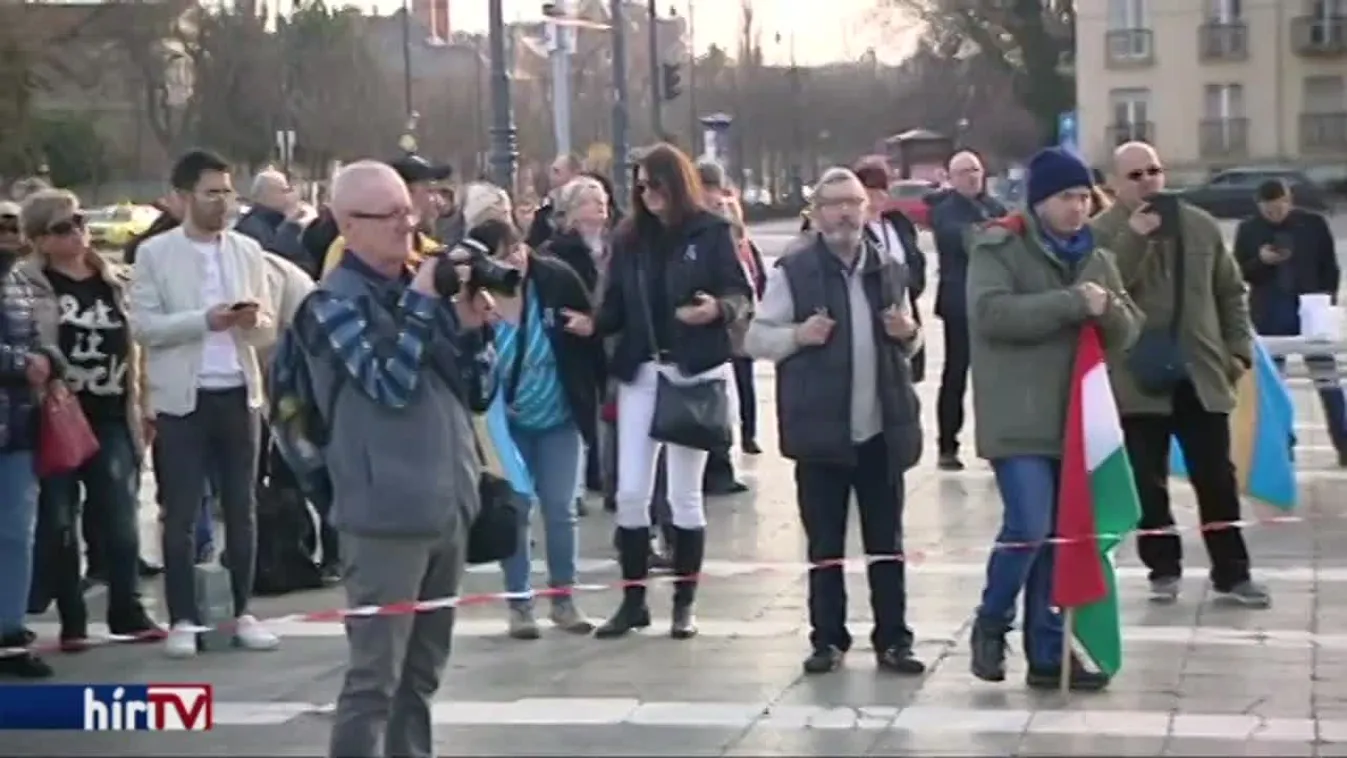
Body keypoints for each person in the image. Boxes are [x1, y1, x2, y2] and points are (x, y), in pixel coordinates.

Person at [301, 161, 494, 758]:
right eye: (388, 215)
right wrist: (419, 302)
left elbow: (478, 392)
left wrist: (472, 333)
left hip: (446, 505)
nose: (406, 226)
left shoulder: (420, 288)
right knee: (373, 684)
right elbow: (387, 383)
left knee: (422, 679)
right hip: (382, 516)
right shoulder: (329, 304)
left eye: (409, 211)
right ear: (346, 224)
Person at [965, 147, 1141, 691]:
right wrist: (1070, 303)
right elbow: (992, 314)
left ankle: (1048, 652)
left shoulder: (1098, 256)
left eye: (1085, 196)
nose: (1078, 207)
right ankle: (992, 622)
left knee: (1063, 538)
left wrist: (1106, 309)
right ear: (1041, 200)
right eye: (1067, 197)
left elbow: (1129, 326)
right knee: (1031, 524)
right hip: (1017, 417)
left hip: (1075, 424)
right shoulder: (999, 246)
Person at [745, 167, 925, 675]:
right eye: (833, 204)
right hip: (821, 431)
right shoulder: (795, 271)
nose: (845, 213)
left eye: (853, 203)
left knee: (886, 542)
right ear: (817, 214)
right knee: (824, 544)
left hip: (881, 429)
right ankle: (827, 639)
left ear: (868, 209)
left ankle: (894, 639)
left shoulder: (889, 268)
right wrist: (798, 335)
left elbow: (914, 343)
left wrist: (909, 331)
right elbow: (757, 338)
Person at [1092, 141, 1270, 608]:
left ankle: (1233, 572)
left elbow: (1230, 292)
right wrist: (1134, 237)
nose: (1148, 180)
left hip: (1201, 371)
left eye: (1154, 170)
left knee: (1216, 475)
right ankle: (1163, 568)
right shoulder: (1102, 232)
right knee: (1147, 479)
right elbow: (1105, 292)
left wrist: (1238, 353)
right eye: (1135, 175)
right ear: (1114, 184)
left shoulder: (1199, 225)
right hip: (1137, 376)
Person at [593, 142, 753, 640]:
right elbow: (615, 303)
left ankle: (684, 604)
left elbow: (740, 294)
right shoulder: (630, 240)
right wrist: (593, 324)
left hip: (694, 372)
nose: (647, 194)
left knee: (685, 495)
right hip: (644, 370)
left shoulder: (711, 233)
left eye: (655, 184)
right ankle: (634, 600)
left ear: (675, 183)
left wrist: (716, 311)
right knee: (632, 491)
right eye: (640, 186)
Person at [128, 149, 282, 658]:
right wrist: (205, 320)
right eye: (211, 193)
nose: (223, 203)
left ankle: (242, 611)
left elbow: (267, 330)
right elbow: (145, 326)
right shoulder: (156, 254)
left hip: (239, 391)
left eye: (227, 192)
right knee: (182, 510)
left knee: (242, 507)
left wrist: (251, 321)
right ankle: (184, 618)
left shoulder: (246, 250)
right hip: (183, 400)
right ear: (183, 197)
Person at [18, 190, 163, 651]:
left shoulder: (111, 279)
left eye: (79, 221)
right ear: (40, 240)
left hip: (111, 411)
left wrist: (146, 404)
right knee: (60, 519)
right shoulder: (28, 285)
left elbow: (136, 347)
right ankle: (73, 618)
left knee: (119, 517)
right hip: (57, 414)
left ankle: (127, 609)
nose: (77, 231)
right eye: (62, 227)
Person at [478, 218, 603, 639]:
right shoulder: (476, 297)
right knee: (515, 509)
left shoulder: (554, 279)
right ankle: (519, 603)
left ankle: (564, 599)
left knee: (560, 507)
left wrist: (589, 328)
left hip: (559, 416)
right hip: (506, 422)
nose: (513, 259)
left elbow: (594, 327)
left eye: (516, 248)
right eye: (500, 254)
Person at [1232, 178, 1345, 466]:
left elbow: (1329, 267)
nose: (1275, 214)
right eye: (1268, 210)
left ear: (1289, 201)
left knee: (1327, 380)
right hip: (1270, 313)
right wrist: (1261, 261)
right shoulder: (1248, 230)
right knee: (1273, 387)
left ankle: (1344, 443)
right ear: (1259, 207)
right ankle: (1282, 448)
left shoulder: (1313, 225)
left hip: (1310, 311)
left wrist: (1325, 302)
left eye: (1279, 208)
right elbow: (1239, 273)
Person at [0, 201, 65, 679]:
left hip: (19, 427)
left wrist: (47, 358)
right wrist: (20, 363)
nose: (7, 234)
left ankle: (9, 633)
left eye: (12, 226)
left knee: (16, 535)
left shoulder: (23, 282)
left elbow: (47, 335)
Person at [927, 151, 1007, 471]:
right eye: (963, 172)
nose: (971, 177)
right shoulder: (945, 210)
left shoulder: (995, 206)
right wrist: (994, 232)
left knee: (998, 376)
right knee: (956, 374)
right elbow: (965, 240)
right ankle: (948, 444)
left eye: (975, 170)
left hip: (995, 301)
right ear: (952, 177)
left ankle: (1000, 442)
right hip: (960, 304)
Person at [854, 161, 927, 383]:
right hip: (871, 312)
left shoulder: (899, 224)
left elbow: (916, 261)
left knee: (905, 375)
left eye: (882, 190)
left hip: (903, 307)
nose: (878, 197)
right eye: (871, 191)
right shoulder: (853, 228)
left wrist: (909, 284)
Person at [320, 155, 451, 277]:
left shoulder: (432, 251)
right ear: (406, 193)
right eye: (430, 191)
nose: (438, 201)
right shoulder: (351, 247)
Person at [234, 169, 311, 268]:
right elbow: (275, 261)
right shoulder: (250, 227)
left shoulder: (276, 222)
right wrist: (290, 224)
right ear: (266, 194)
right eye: (284, 190)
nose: (288, 196)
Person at [526, 153, 583, 248]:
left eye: (557, 172)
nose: (551, 177)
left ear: (574, 175)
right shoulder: (544, 214)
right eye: (551, 172)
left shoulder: (587, 210)